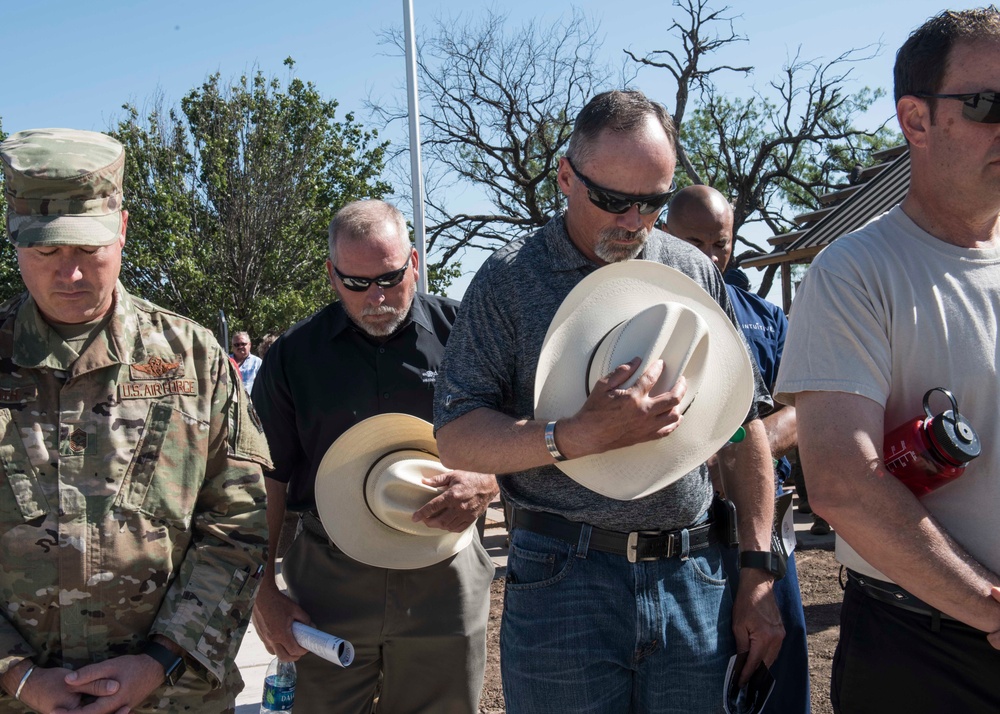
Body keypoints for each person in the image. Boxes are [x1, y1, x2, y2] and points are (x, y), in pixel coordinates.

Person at [433, 89, 783, 714]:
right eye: (612, 199)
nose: (633, 221)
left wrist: (757, 569)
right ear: (566, 176)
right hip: (563, 579)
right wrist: (572, 436)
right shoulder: (508, 279)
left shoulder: (694, 272)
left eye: (653, 202)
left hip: (693, 572)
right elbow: (457, 432)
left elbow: (741, 425)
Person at [775, 8, 1000, 713]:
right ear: (916, 119)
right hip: (926, 655)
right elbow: (843, 485)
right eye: (990, 104)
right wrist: (992, 609)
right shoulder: (856, 273)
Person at [0, 128, 270, 713]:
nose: (69, 274)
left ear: (121, 230)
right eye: (47, 251)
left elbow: (239, 526)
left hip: (172, 696)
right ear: (15, 240)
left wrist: (162, 661)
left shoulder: (194, 360)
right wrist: (18, 676)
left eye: (88, 250)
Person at [250, 199, 497, 714]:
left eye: (389, 277)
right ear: (331, 275)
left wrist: (487, 477)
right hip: (329, 578)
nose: (378, 297)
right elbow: (265, 478)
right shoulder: (294, 355)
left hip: (443, 571)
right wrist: (263, 591)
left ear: (413, 260)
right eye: (357, 283)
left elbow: (520, 430)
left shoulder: (464, 334)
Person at [666, 184, 810, 713]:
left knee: (778, 659)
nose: (707, 257)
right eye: (692, 241)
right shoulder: (639, 308)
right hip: (681, 530)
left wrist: (746, 446)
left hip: (764, 523)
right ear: (664, 235)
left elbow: (805, 408)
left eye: (719, 243)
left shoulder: (765, 318)